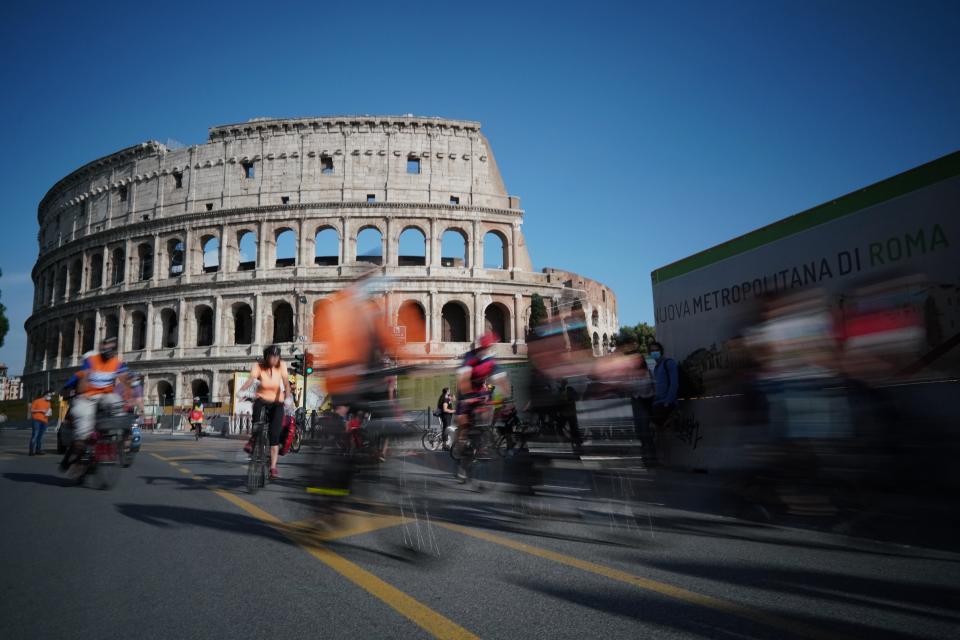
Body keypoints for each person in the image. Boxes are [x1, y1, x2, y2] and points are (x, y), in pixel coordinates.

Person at [67, 337, 130, 463]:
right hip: (88, 397)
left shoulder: (117, 363)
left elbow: (127, 380)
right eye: (106, 347)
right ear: (101, 348)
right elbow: (79, 378)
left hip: (106, 396)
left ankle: (120, 435)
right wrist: (72, 389)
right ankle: (78, 453)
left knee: (117, 403)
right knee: (83, 421)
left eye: (112, 348)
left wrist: (130, 397)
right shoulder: (91, 361)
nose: (108, 350)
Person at [238, 345, 294, 480]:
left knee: (274, 435)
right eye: (272, 356)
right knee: (257, 416)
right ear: (266, 356)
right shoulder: (258, 366)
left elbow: (286, 382)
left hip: (277, 402)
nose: (274, 359)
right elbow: (251, 380)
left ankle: (273, 467)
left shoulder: (282, 366)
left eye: (277, 356)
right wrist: (241, 390)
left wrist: (288, 396)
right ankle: (253, 440)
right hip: (262, 399)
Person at [649, 341, 679, 426]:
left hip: (666, 405)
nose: (654, 352)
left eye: (656, 350)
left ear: (661, 351)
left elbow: (674, 384)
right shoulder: (656, 368)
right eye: (652, 351)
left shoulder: (669, 363)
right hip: (657, 404)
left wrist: (668, 402)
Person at [29, 390, 52, 456]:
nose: (50, 397)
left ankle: (38, 450)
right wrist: (41, 410)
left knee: (40, 436)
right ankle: (31, 451)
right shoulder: (37, 401)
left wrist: (49, 413)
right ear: (45, 395)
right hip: (36, 420)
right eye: (49, 395)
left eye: (50, 396)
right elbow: (31, 410)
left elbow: (48, 410)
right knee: (35, 435)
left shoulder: (48, 403)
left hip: (45, 420)